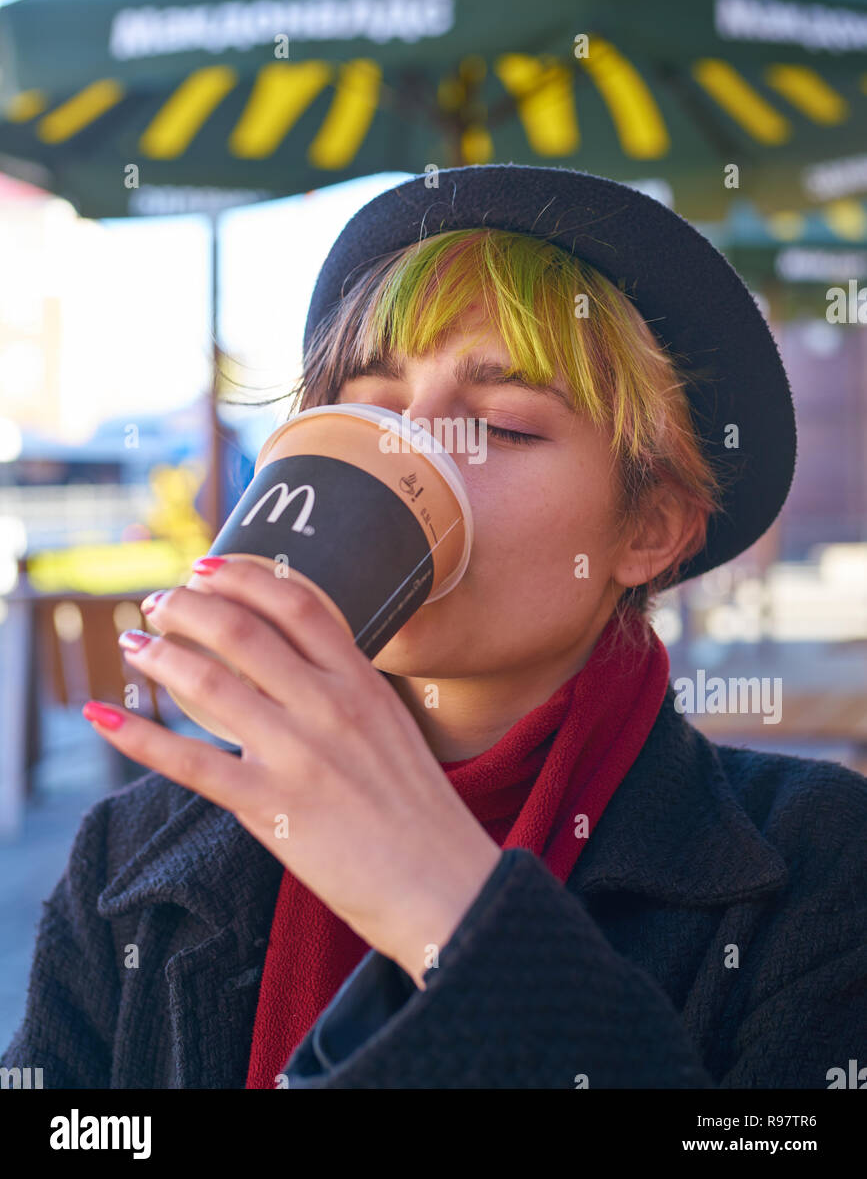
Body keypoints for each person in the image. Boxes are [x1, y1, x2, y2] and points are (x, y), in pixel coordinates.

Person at [3, 164, 865, 1090]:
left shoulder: (819, 864)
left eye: (500, 424)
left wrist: (449, 909)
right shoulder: (131, 856)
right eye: (370, 407)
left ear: (648, 529)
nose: (408, 449)